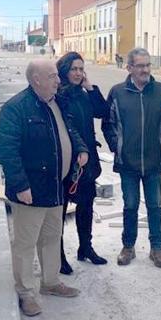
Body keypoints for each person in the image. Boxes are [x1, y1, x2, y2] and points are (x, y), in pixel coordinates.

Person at [0, 59, 87, 317]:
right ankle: (26, 293)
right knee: (25, 243)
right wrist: (20, 184)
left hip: (56, 187)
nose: (59, 80)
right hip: (30, 191)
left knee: (50, 238)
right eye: (53, 76)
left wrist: (80, 149)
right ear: (36, 79)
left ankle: (50, 282)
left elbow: (68, 131)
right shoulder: (16, 108)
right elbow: (5, 151)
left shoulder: (55, 102)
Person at [102, 48, 161, 268]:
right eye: (140, 66)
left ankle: (157, 249)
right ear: (129, 68)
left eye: (147, 65)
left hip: (154, 161)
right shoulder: (117, 92)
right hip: (128, 163)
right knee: (130, 205)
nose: (145, 70)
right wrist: (118, 147)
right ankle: (128, 247)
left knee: (155, 205)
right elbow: (108, 124)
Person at [56, 52, 109, 275]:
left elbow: (103, 111)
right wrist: (79, 149)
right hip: (68, 160)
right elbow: (68, 127)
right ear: (64, 71)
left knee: (86, 206)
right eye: (73, 69)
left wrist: (91, 87)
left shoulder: (83, 93)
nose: (78, 73)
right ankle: (57, 256)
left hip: (87, 161)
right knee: (59, 210)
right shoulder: (59, 96)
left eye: (81, 69)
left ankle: (85, 247)